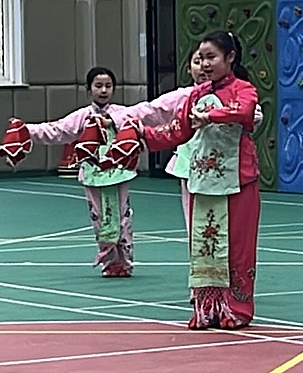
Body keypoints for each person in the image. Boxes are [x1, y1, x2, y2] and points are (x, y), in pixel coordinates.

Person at [106, 32, 263, 329]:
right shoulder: (195, 95)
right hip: (201, 181)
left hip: (239, 180)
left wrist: (211, 117)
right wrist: (141, 135)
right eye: (200, 58)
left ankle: (237, 308)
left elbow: (244, 112)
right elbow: (176, 131)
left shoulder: (244, 89)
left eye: (211, 57)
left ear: (230, 57)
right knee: (204, 245)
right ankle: (208, 308)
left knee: (238, 248)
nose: (205, 64)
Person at [18, 67, 135, 276]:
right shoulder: (82, 116)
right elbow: (56, 130)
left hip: (118, 173)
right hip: (93, 174)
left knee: (123, 218)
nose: (103, 90)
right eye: (98, 86)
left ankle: (125, 263)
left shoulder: (122, 113)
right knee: (99, 219)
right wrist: (26, 130)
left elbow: (142, 124)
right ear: (88, 89)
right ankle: (110, 263)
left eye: (108, 86)